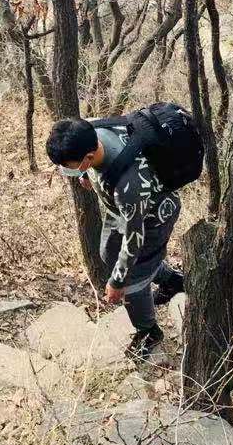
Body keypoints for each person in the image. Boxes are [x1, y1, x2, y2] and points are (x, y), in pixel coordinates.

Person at [46, 117, 186, 360]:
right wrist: (90, 176)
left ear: (88, 157)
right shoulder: (94, 129)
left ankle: (148, 331)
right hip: (121, 209)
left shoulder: (129, 187)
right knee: (108, 253)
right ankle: (171, 279)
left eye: (70, 165)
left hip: (153, 217)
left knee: (133, 276)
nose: (67, 170)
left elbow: (134, 241)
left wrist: (118, 283)